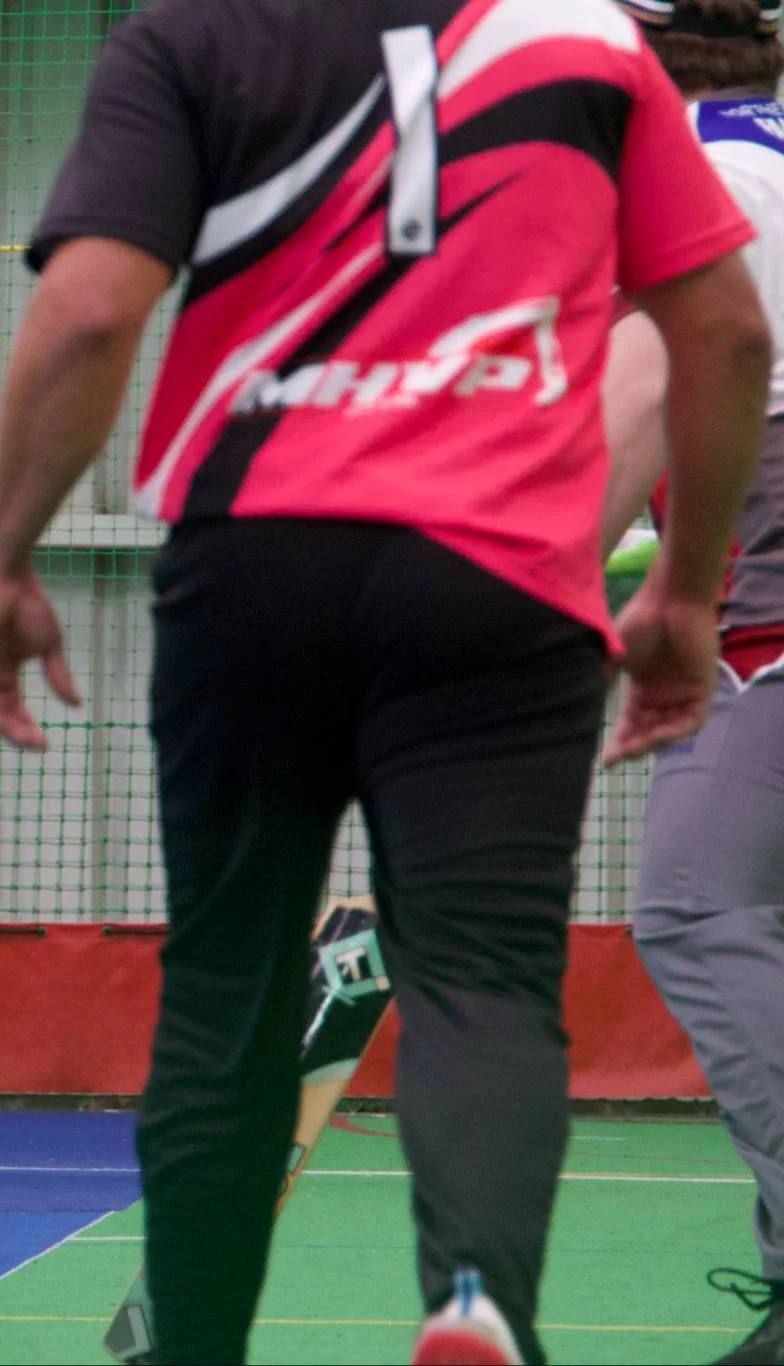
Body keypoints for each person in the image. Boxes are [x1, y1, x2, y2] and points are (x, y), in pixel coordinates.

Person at [0, 1, 769, 1362]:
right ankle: (475, 1307)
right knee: (485, 978)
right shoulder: (589, 47)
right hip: (502, 586)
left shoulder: (188, 37)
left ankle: (193, 1338)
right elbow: (729, 337)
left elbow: (89, 312)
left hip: (255, 566)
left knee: (230, 984)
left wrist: (2, 559)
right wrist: (685, 593)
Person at [600, 5, 784, 1362]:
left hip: (763, 622)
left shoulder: (701, 177)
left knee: (692, 901)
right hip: (744, 614)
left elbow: (632, 422)